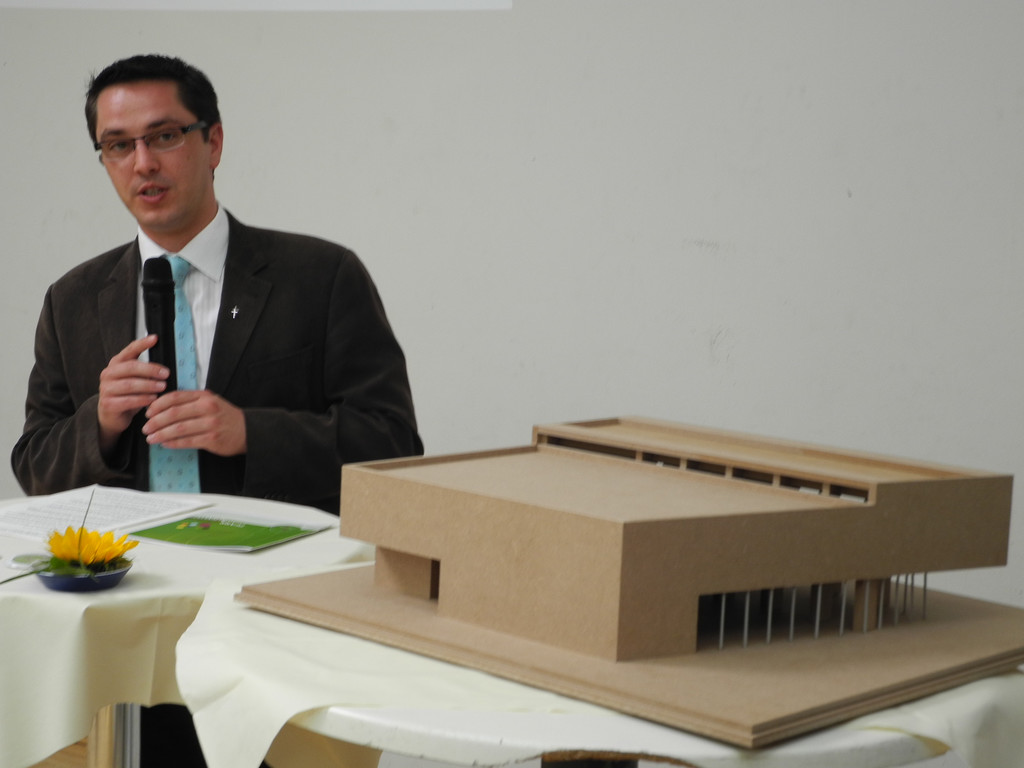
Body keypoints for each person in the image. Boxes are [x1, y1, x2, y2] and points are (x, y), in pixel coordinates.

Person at [11, 54, 423, 767]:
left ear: (214, 141)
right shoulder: (73, 299)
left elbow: (391, 446)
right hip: (128, 623)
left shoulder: (321, 276)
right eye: (118, 145)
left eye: (165, 135)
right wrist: (100, 425)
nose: (143, 162)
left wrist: (249, 432)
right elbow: (35, 466)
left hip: (278, 615)